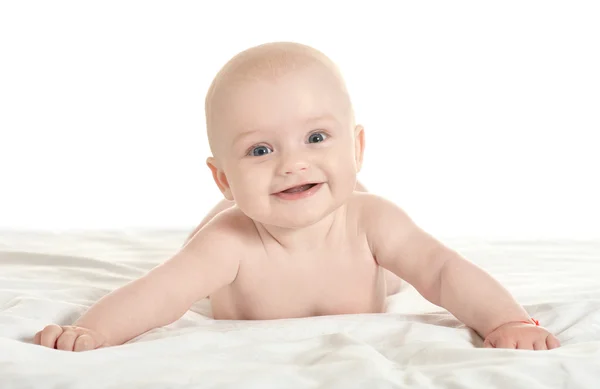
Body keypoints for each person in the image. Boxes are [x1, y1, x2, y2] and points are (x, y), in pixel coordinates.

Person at [34, 42, 560, 352]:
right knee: (202, 245)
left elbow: (443, 271)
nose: (292, 163)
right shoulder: (229, 243)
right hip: (241, 222)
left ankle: (349, 199)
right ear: (223, 178)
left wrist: (506, 321)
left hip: (353, 217)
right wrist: (92, 331)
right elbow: (160, 293)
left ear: (356, 145)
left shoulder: (370, 220)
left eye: (316, 138)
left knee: (404, 257)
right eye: (260, 149)